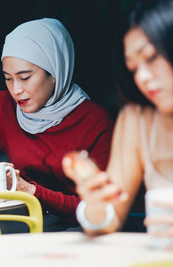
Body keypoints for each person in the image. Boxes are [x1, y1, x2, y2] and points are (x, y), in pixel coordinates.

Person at [0, 18, 114, 231]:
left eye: (24, 77)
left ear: (55, 73)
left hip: (85, 228)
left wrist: (30, 191)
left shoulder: (95, 121)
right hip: (28, 224)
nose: (15, 90)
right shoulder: (3, 106)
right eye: (8, 78)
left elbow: (102, 207)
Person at [62, 0, 173, 237]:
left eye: (151, 57)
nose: (142, 77)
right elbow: (110, 219)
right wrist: (94, 206)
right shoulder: (138, 119)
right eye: (133, 68)